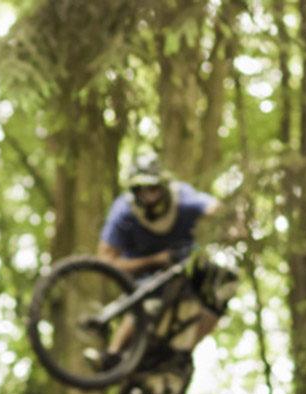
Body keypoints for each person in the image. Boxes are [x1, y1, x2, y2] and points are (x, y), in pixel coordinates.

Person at [87, 153, 238, 370]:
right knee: (146, 301)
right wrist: (154, 261)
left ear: (163, 185)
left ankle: (184, 352)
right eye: (141, 189)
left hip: (184, 263)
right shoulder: (123, 211)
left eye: (153, 188)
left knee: (225, 282)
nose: (148, 195)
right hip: (142, 271)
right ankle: (111, 354)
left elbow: (216, 209)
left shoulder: (183, 198)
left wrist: (233, 225)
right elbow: (104, 262)